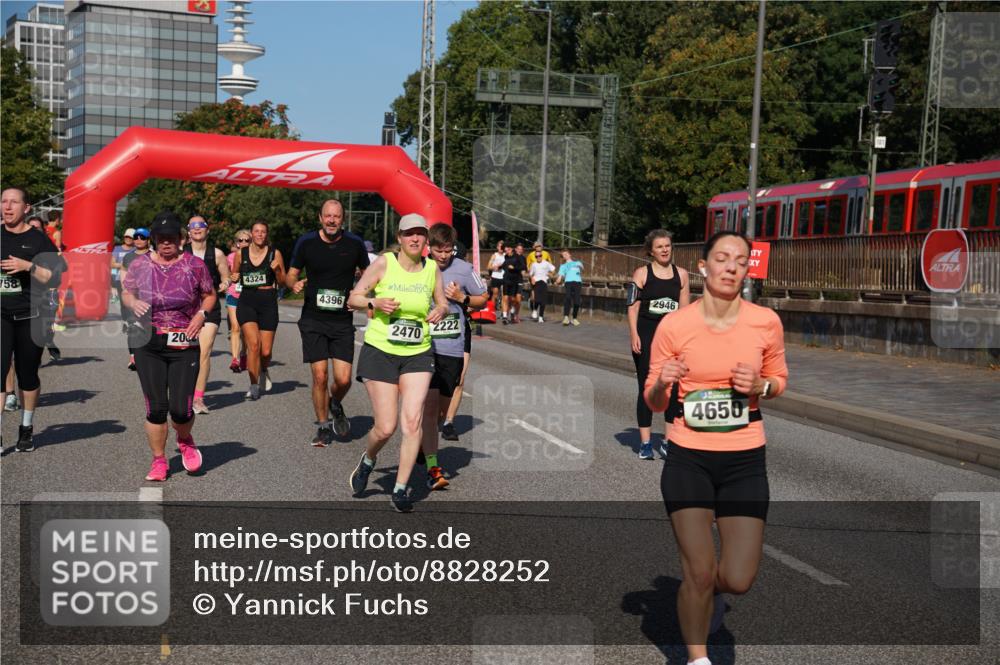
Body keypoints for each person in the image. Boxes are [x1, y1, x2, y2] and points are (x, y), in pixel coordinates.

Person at [644, 231, 788, 665]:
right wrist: (664, 381)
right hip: (688, 456)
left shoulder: (765, 321)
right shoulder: (675, 325)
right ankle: (696, 657)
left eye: (740, 261)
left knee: (738, 579)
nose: (731, 267)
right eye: (722, 258)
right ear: (703, 266)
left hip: (745, 460)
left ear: (747, 270)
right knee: (699, 571)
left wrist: (761, 385)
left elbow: (779, 380)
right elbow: (654, 400)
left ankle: (711, 597)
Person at [347, 213, 450, 513]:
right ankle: (368, 460)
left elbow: (441, 301)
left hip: (418, 351)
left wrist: (441, 310)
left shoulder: (431, 268)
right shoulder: (383, 263)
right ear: (400, 238)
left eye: (420, 234)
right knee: (386, 427)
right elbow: (353, 298)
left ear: (426, 239)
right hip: (380, 350)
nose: (415, 239)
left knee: (412, 421)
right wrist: (374, 303)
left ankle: (401, 488)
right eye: (409, 234)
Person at [122, 211, 216, 481]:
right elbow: (127, 291)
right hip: (148, 341)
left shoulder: (195, 265)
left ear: (181, 239)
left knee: (182, 409)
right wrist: (133, 303)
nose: (166, 243)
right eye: (161, 239)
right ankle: (159, 461)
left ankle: (184, 439)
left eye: (171, 238)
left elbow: (209, 295)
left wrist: (200, 315)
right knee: (156, 408)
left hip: (184, 342)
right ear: (153, 240)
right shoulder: (140, 265)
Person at [286, 200, 370, 447]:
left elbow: (369, 273)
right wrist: (294, 284)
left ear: (342, 219)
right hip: (313, 319)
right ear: (320, 217)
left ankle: (335, 402)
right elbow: (291, 273)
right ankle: (323, 426)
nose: (332, 220)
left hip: (342, 321)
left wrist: (360, 294)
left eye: (337, 216)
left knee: (344, 380)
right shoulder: (306, 242)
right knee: (320, 376)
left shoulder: (354, 244)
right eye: (328, 216)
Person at [419, 223, 488, 487]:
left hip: (452, 346)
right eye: (439, 250)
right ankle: (433, 468)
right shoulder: (420, 267)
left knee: (441, 410)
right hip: (424, 347)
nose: (444, 255)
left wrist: (462, 297)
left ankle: (424, 446)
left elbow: (483, 297)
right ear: (430, 248)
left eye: (448, 251)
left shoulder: (464, 269)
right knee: (429, 406)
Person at [1, 187, 66, 452]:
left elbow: (56, 278)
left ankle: (26, 428)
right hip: (1, 315)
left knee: (28, 375)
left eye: (14, 202)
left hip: (31, 316)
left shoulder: (38, 240)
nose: (7, 206)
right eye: (3, 201)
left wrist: (28, 267)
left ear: (26, 208)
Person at [629, 229, 690, 459]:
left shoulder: (681, 275)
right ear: (651, 251)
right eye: (660, 247)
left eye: (668, 245)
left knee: (674, 389)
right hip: (646, 335)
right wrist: (633, 334)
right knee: (647, 386)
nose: (665, 249)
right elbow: (632, 306)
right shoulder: (641, 274)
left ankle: (668, 441)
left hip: (672, 340)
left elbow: (685, 312)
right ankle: (645, 444)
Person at [231, 220, 286, 401]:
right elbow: (235, 275)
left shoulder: (274, 253)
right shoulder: (241, 253)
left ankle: (263, 369)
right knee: (253, 345)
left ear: (267, 234)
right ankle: (253, 385)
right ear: (252, 234)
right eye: (257, 231)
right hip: (247, 301)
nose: (260, 234)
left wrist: (277, 270)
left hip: (268, 301)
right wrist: (234, 276)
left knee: (266, 351)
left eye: (263, 231)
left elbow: (283, 282)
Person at [183, 215, 231, 414]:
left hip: (209, 308)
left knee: (204, 350)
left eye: (200, 225)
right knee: (183, 352)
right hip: (184, 309)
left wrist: (223, 284)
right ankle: (182, 392)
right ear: (188, 231)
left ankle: (198, 398)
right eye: (193, 226)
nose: (197, 229)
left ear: (207, 230)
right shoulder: (180, 253)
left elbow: (226, 277)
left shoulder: (217, 254)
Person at [120, 227, 151, 371]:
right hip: (132, 297)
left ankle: (148, 355)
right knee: (132, 326)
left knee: (147, 327)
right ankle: (133, 357)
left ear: (148, 240)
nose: (138, 240)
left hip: (149, 298)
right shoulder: (128, 257)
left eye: (142, 237)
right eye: (136, 237)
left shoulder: (154, 255)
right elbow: (123, 277)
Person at [225, 230, 250, 373]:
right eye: (241, 240)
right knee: (235, 327)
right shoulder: (231, 257)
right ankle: (235, 359)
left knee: (246, 330)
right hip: (233, 294)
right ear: (237, 243)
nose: (244, 243)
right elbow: (229, 275)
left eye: (247, 240)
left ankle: (244, 353)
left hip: (249, 296)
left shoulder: (256, 257)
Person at [555, 248, 584, 326]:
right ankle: (566, 317)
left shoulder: (577, 262)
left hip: (578, 282)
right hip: (568, 282)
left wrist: (580, 265)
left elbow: (582, 267)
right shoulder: (563, 266)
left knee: (577, 302)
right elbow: (560, 275)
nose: (565, 255)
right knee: (568, 297)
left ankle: (574, 318)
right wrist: (558, 279)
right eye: (563, 255)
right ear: (563, 257)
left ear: (570, 254)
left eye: (566, 254)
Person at [527, 247, 555, 322]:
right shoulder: (533, 264)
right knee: (537, 300)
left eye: (539, 256)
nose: (538, 257)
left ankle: (541, 317)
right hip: (536, 282)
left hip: (544, 282)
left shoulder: (546, 263)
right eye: (536, 256)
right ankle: (535, 309)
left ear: (542, 256)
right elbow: (530, 274)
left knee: (543, 301)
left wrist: (551, 274)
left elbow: (553, 269)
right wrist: (532, 278)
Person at [500, 243, 526, 324]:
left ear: (511, 249)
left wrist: (514, 268)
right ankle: (504, 317)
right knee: (505, 298)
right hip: (506, 280)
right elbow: (505, 265)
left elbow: (523, 267)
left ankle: (512, 311)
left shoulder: (518, 257)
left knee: (514, 299)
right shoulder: (506, 257)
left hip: (515, 281)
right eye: (505, 250)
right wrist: (499, 266)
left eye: (507, 249)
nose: (506, 251)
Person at [111, 228, 135, 306]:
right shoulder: (117, 249)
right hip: (119, 278)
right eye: (126, 237)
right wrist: (124, 265)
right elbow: (112, 264)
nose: (128, 239)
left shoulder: (136, 250)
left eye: (130, 237)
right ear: (124, 237)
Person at [488, 240, 506, 309]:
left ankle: (503, 313)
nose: (501, 248)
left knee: (504, 295)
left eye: (502, 246)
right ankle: (492, 309)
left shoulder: (506, 255)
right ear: (497, 247)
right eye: (499, 246)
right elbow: (488, 266)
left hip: (504, 277)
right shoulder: (494, 255)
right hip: (495, 276)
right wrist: (494, 267)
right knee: (495, 294)